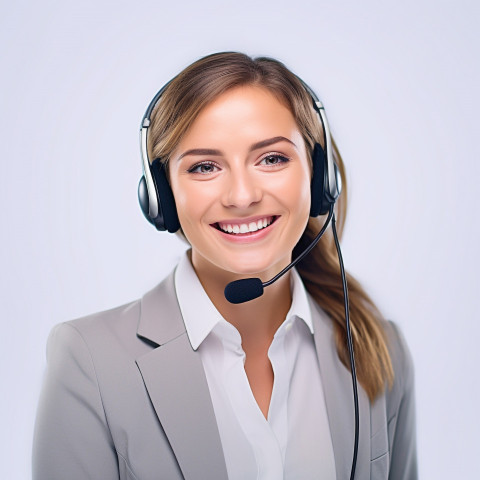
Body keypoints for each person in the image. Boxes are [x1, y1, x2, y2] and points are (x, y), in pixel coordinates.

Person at [32, 52, 417, 480]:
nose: (242, 195)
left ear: (319, 176)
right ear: (161, 198)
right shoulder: (91, 362)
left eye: (272, 158)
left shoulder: (377, 345)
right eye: (204, 167)